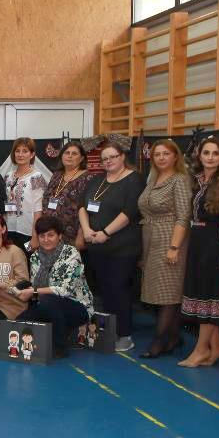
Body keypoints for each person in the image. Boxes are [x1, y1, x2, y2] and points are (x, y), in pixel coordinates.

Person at [79, 142, 146, 352]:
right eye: (104, 159)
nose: (108, 161)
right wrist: (87, 230)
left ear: (122, 156)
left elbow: (129, 212)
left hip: (122, 247)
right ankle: (108, 333)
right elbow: (82, 207)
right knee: (104, 291)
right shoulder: (97, 180)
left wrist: (106, 233)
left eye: (112, 157)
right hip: (96, 246)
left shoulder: (134, 180)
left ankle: (124, 335)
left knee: (119, 289)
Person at [178, 137, 219, 368]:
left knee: (210, 296)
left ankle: (201, 349)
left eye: (215, 154)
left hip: (215, 245)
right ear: (199, 156)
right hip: (198, 243)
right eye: (206, 153)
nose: (210, 158)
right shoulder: (198, 180)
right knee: (201, 293)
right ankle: (216, 346)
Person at [137, 139, 193, 358]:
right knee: (159, 292)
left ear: (175, 156)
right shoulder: (153, 179)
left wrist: (174, 247)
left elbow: (183, 216)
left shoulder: (180, 180)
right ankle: (173, 337)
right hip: (151, 240)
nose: (161, 158)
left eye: (166, 154)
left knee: (168, 293)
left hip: (170, 239)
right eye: (157, 154)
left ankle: (159, 341)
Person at [16, 217, 94, 358]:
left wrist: (34, 291)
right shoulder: (35, 257)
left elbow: (65, 290)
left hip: (77, 306)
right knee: (20, 321)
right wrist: (24, 292)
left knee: (48, 300)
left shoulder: (71, 253)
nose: (46, 240)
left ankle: (60, 347)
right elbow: (35, 286)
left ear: (59, 236)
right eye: (42, 236)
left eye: (50, 235)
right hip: (46, 304)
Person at [42, 141, 91, 247]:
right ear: (62, 156)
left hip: (73, 236)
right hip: (51, 234)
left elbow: (88, 210)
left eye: (74, 153)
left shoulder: (87, 178)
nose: (70, 156)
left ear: (81, 158)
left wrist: (81, 236)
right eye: (67, 153)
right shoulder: (56, 175)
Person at [4, 137, 47, 253]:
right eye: (17, 151)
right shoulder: (8, 176)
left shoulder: (36, 177)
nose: (20, 154)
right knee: (12, 260)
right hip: (9, 229)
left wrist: (35, 236)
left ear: (32, 154)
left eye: (25, 151)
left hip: (28, 231)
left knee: (27, 260)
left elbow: (38, 209)